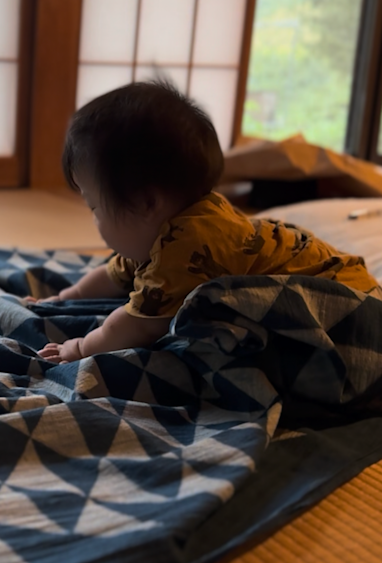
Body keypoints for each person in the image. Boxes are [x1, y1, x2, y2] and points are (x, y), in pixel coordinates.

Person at [35, 81, 382, 364]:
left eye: (94, 207)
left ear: (146, 203)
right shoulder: (166, 226)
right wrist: (64, 298)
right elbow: (115, 274)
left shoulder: (187, 246)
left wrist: (80, 347)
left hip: (348, 309)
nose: (93, 218)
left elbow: (137, 326)